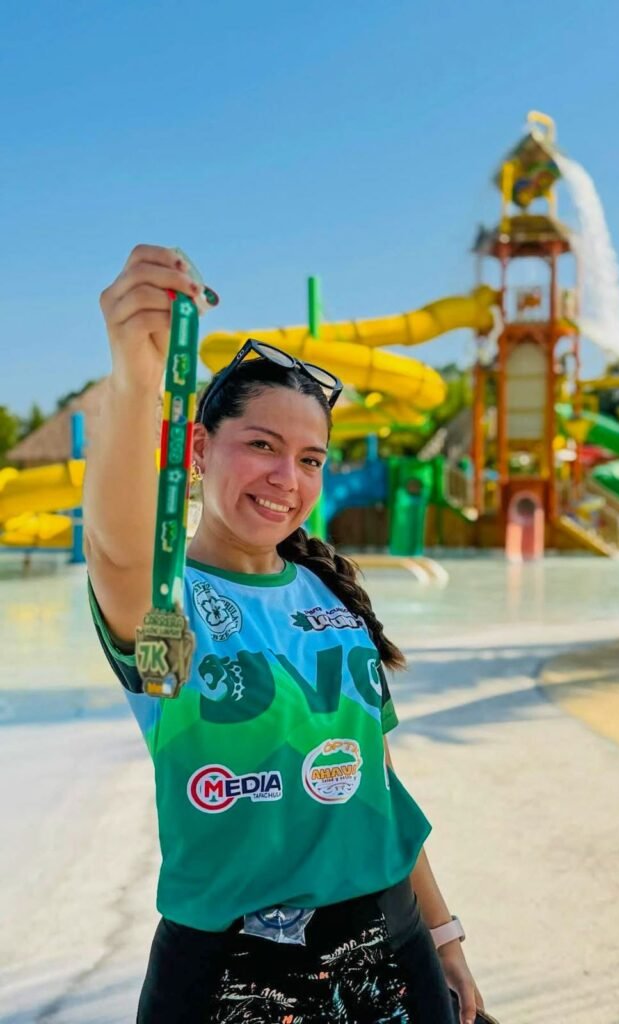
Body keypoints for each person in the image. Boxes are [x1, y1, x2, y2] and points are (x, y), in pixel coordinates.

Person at [84, 245, 485, 1024]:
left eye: (310, 458)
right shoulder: (168, 600)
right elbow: (116, 548)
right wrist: (135, 376)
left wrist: (443, 935)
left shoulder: (328, 591)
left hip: (393, 955)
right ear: (199, 450)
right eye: (262, 445)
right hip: (229, 976)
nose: (286, 478)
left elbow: (379, 784)